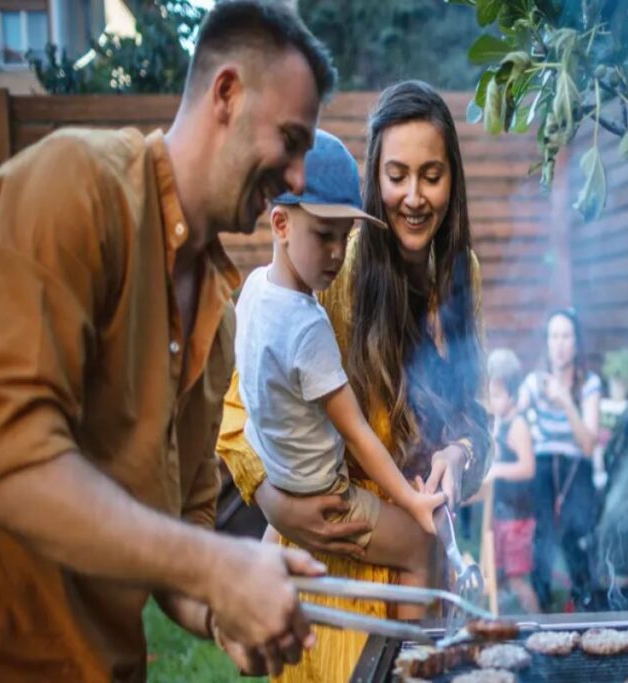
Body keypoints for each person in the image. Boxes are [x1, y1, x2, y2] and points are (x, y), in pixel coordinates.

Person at [0, 2, 346, 680]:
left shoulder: (220, 310)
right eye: (293, 140)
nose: (299, 179)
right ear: (227, 93)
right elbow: (12, 457)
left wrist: (222, 609)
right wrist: (218, 566)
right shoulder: (78, 186)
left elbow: (180, 530)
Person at [217, 80, 491, 682]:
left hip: (418, 563)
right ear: (375, 178)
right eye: (397, 175)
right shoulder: (334, 261)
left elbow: (477, 414)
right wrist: (280, 507)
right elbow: (242, 412)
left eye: (431, 175)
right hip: (333, 559)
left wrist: (461, 452)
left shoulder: (461, 271)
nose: (414, 197)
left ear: (453, 181)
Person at [236, 129, 446, 615]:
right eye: (324, 236)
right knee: (422, 548)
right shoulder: (309, 326)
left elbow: (254, 393)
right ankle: (406, 663)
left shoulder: (252, 290)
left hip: (281, 474)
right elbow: (358, 436)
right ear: (281, 223)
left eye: (346, 237)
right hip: (326, 495)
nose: (337, 253)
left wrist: (275, 499)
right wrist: (414, 505)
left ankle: (251, 607)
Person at [519, 308, 603, 612]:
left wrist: (567, 401)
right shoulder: (533, 382)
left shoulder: (589, 384)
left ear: (576, 343)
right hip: (542, 465)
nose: (560, 343)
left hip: (575, 466)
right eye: (554, 336)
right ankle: (541, 607)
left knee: (576, 533)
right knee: (543, 535)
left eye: (566, 336)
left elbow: (588, 445)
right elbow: (513, 415)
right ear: (547, 342)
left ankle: (585, 604)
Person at [484, 348, 540, 614]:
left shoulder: (518, 425)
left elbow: (528, 468)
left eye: (496, 396)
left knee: (517, 579)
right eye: (489, 395)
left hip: (518, 517)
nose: (491, 401)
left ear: (512, 395)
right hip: (502, 513)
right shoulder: (499, 422)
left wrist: (497, 470)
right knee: (503, 577)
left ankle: (542, 624)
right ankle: (507, 624)